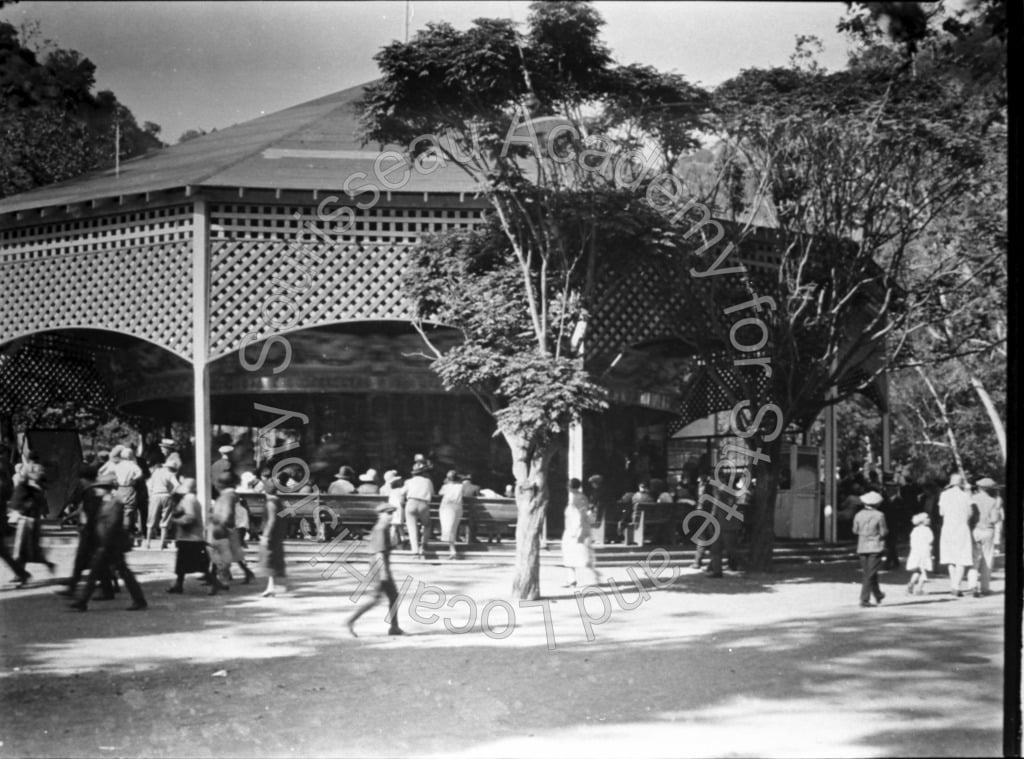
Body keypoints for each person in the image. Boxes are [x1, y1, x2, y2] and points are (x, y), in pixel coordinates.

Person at [70, 472, 147, 612]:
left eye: (99, 487)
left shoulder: (114, 502)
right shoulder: (106, 501)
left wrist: (103, 544)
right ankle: (82, 601)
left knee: (116, 573)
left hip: (110, 543)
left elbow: (111, 525)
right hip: (107, 543)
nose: (96, 489)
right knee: (113, 572)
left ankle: (82, 601)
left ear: (106, 487)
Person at [345, 502, 404, 637]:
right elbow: (379, 553)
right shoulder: (381, 528)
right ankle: (350, 621)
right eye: (387, 513)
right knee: (375, 599)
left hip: (382, 565)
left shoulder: (384, 527)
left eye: (391, 514)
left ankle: (394, 627)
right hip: (379, 566)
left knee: (393, 596)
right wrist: (383, 573)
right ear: (380, 514)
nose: (390, 516)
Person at [166, 478, 213, 594]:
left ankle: (213, 584)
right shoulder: (192, 499)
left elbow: (190, 518)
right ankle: (178, 584)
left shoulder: (188, 500)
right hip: (192, 537)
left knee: (194, 564)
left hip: (189, 537)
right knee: (186, 564)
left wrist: (175, 521)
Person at [8, 463, 56, 575]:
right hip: (30, 520)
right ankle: (22, 573)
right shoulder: (33, 487)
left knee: (22, 549)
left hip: (28, 521)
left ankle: (21, 574)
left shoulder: (33, 488)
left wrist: (21, 508)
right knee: (27, 549)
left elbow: (31, 504)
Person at [938, 473, 975, 597]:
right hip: (961, 527)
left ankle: (953, 584)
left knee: (950, 557)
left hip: (948, 527)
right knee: (961, 557)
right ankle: (956, 585)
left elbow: (941, 512)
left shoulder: (944, 495)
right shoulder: (965, 495)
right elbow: (970, 513)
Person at [561, 478, 599, 588]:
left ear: (570, 487)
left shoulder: (577, 499)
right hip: (574, 529)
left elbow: (580, 516)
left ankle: (585, 578)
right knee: (571, 554)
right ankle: (571, 579)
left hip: (575, 531)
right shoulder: (580, 497)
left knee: (576, 554)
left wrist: (578, 532)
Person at [852, 490, 888, 607]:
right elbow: (883, 532)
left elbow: (855, 530)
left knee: (869, 572)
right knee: (870, 573)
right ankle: (864, 599)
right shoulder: (879, 515)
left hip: (862, 546)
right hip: (875, 546)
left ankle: (878, 595)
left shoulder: (858, 515)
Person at [970, 477, 1001, 597]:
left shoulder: (972, 498)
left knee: (974, 559)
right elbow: (994, 519)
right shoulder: (992, 501)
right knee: (987, 559)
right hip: (987, 530)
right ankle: (985, 587)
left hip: (975, 530)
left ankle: (972, 586)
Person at [145, 452, 181, 549]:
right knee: (165, 520)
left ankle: (148, 543)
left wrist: (150, 495)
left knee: (151, 520)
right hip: (166, 495)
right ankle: (162, 543)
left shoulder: (156, 472)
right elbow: (177, 485)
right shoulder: (170, 474)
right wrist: (171, 493)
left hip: (155, 495)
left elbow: (148, 485)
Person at [259, 489, 288, 597]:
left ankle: (274, 586)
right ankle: (271, 586)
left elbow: (271, 520)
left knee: (269, 560)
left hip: (272, 535)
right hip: (278, 535)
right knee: (275, 560)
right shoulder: (279, 501)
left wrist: (265, 535)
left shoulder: (271, 502)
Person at [113, 446, 144, 545]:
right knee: (129, 513)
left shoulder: (118, 465)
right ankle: (129, 538)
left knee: (120, 512)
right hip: (129, 488)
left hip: (120, 489)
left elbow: (112, 474)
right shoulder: (132, 465)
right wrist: (134, 479)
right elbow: (140, 473)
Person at [404, 461, 435, 558]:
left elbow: (402, 492)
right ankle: (424, 544)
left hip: (411, 503)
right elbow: (432, 493)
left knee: (411, 527)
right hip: (423, 504)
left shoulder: (408, 481)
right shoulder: (428, 481)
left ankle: (415, 550)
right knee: (427, 524)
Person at [438, 470, 464, 560]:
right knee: (453, 529)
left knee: (449, 530)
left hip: (447, 508)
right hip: (457, 508)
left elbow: (440, 493)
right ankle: (452, 550)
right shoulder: (460, 486)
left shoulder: (445, 487)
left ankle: (452, 550)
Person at [905, 512, 934, 595]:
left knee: (918, 570)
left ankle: (911, 583)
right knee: (924, 571)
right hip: (924, 552)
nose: (929, 519)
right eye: (927, 518)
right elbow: (930, 540)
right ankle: (919, 588)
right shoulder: (927, 530)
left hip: (916, 552)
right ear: (922, 521)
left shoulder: (914, 530)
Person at [380, 471, 405, 548]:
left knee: (394, 527)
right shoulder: (400, 491)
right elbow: (402, 501)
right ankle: (402, 540)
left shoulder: (384, 489)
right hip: (399, 511)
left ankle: (392, 541)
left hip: (391, 511)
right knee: (399, 527)